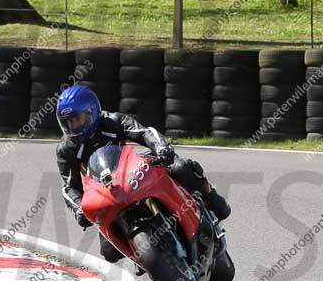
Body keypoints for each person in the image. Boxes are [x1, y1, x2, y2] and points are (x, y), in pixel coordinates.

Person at [55, 84, 231, 264]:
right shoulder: (66, 149)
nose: (73, 126)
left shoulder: (112, 121)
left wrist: (161, 147)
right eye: (67, 122)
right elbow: (70, 187)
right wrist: (79, 209)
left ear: (91, 112)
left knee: (180, 167)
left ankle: (211, 197)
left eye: (76, 119)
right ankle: (149, 259)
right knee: (109, 252)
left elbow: (144, 133)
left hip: (132, 168)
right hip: (106, 190)